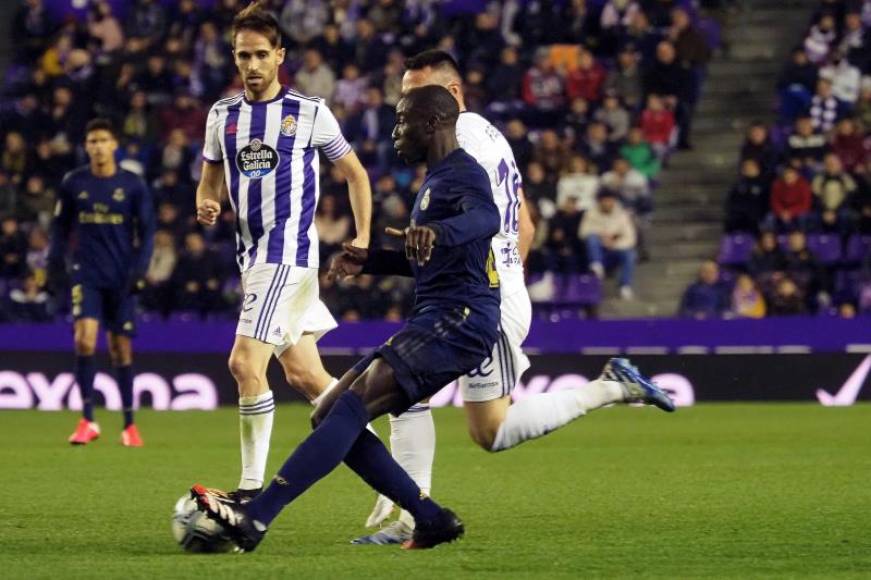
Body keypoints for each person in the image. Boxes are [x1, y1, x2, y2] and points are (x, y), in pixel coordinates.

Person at [191, 84, 674, 553]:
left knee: (354, 409)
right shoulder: (436, 179)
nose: (395, 131)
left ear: (435, 122)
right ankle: (430, 518)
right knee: (327, 412)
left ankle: (256, 515)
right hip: (442, 316)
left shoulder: (463, 173)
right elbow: (434, 255)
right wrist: (374, 261)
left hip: (461, 318)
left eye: (403, 121)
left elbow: (485, 219)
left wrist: (438, 231)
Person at [353, 50, 672, 545]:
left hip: (485, 297)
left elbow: (491, 222)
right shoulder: (491, 136)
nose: (405, 110)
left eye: (414, 98)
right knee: (406, 390)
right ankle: (414, 511)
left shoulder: (461, 147)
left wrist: (488, 285)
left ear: (449, 95)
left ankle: (611, 389)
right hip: (495, 289)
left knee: (486, 430)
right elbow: (524, 222)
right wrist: (507, 274)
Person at [194, 1, 372, 503]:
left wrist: (361, 237)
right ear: (234, 59)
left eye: (259, 55)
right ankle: (391, 470)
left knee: (244, 364)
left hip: (286, 254)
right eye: (242, 56)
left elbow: (355, 173)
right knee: (306, 375)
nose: (250, 65)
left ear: (279, 56)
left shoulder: (309, 112)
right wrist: (206, 203)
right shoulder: (222, 116)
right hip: (252, 259)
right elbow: (209, 181)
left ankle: (251, 490)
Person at [47, 118, 156, 447]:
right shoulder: (73, 182)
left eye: (103, 140)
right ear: (86, 146)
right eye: (91, 141)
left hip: (121, 276)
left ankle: (129, 424)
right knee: (84, 339)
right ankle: (88, 420)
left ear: (114, 145)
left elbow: (147, 231)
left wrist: (139, 271)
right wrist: (54, 264)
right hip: (87, 273)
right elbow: (59, 228)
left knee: (120, 348)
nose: (97, 146)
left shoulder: (133, 185)